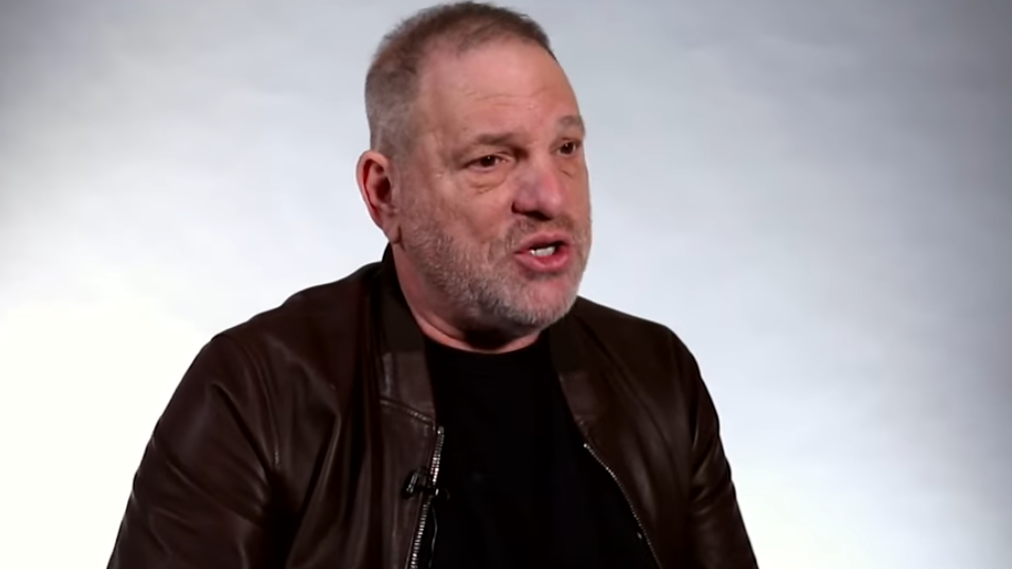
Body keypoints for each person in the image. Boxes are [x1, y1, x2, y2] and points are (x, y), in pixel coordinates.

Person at [106, 2, 759, 568]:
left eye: (566, 148)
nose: (551, 196)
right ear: (385, 193)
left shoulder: (657, 375)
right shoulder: (255, 393)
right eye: (490, 160)